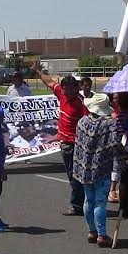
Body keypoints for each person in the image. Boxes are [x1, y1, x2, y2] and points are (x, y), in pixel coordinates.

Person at [72, 94, 127, 247]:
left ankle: (92, 231)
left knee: (88, 200)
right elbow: (116, 145)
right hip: (102, 168)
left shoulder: (82, 122)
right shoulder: (110, 123)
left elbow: (78, 145)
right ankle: (102, 235)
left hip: (84, 168)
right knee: (100, 203)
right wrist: (124, 161)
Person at [36, 69, 87, 216]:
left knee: (75, 175)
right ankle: (82, 203)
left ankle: (78, 206)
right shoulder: (62, 95)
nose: (68, 92)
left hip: (75, 145)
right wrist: (37, 71)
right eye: (66, 90)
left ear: (77, 89)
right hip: (66, 144)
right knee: (74, 175)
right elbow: (50, 82)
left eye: (72, 89)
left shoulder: (80, 104)